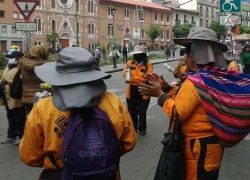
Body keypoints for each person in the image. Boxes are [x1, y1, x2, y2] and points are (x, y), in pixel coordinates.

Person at [19, 47, 137, 179]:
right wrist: (98, 156)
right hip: (105, 174)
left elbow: (29, 156)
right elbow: (129, 142)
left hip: (59, 174)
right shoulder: (113, 102)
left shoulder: (43, 108)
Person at [139, 27, 227, 179]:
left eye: (185, 55)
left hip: (198, 150)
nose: (184, 60)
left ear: (194, 56)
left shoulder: (196, 82)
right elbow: (189, 102)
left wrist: (159, 94)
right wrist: (166, 87)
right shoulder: (213, 77)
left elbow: (177, 114)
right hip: (209, 148)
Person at [122, 45, 153, 136]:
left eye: (139, 54)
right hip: (131, 91)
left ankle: (142, 128)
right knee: (132, 111)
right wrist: (140, 78)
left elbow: (149, 77)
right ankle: (133, 128)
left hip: (144, 90)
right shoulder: (129, 63)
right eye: (136, 54)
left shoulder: (148, 65)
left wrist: (133, 78)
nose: (137, 56)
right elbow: (124, 74)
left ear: (143, 55)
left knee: (142, 111)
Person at [1, 50, 26, 145]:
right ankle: (11, 135)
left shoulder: (21, 68)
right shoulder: (8, 66)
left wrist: (8, 81)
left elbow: (21, 81)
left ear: (18, 59)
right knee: (10, 116)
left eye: (12, 57)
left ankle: (20, 136)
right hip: (7, 95)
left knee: (19, 117)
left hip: (16, 95)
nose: (10, 59)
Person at [20, 45, 48, 116]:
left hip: (27, 97)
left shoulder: (23, 62)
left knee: (31, 118)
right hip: (42, 96)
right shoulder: (44, 64)